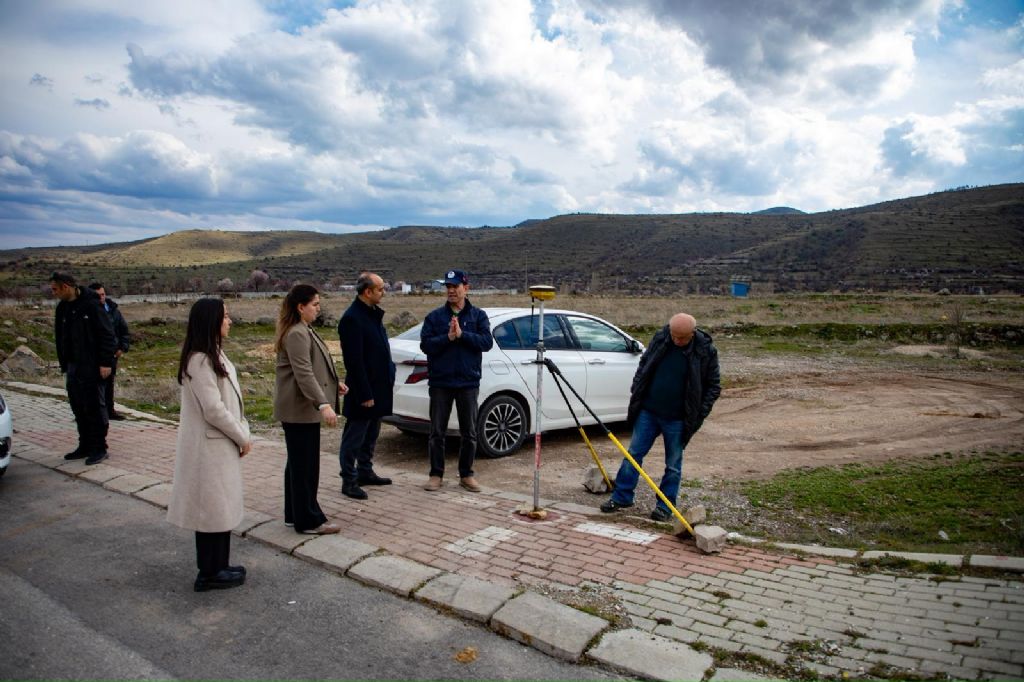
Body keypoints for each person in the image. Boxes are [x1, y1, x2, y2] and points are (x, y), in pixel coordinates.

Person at [167, 298, 252, 592]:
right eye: (225, 316)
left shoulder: (212, 354)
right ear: (211, 321)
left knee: (220, 508)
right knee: (211, 510)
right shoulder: (200, 360)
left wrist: (242, 431)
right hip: (209, 447)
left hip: (218, 444)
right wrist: (242, 436)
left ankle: (220, 565)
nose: (230, 321)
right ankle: (209, 572)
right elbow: (213, 410)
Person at [601, 313, 721, 521]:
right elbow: (644, 364)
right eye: (674, 335)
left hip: (678, 419)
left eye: (682, 338)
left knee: (673, 465)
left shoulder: (705, 351)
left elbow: (714, 386)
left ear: (692, 334)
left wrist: (699, 413)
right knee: (633, 455)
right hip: (648, 412)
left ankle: (665, 507)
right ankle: (621, 497)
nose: (677, 340)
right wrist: (637, 387)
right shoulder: (661, 338)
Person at [273, 284, 346, 534]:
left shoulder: (303, 329)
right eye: (314, 304)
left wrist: (334, 384)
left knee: (297, 464)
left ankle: (294, 514)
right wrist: (323, 404)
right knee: (305, 466)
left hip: (300, 409)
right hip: (299, 410)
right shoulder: (297, 333)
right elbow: (303, 373)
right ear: (300, 307)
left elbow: (314, 366)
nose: (318, 308)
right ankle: (308, 521)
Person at [420, 269, 492, 492]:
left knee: (469, 433)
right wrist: (448, 337)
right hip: (441, 383)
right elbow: (426, 345)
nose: (451, 290)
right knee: (437, 432)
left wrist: (462, 335)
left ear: (466, 288)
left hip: (467, 383)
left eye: (455, 286)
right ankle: (436, 474)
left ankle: (466, 474)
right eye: (448, 287)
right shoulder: (434, 317)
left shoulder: (478, 316)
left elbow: (486, 343)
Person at [337, 272, 396, 500]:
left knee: (371, 433)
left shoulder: (372, 315)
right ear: (367, 291)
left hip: (379, 387)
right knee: (355, 436)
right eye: (380, 289)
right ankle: (348, 479)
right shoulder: (352, 319)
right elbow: (354, 361)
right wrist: (364, 393)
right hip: (364, 390)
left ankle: (365, 471)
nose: (384, 292)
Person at [50, 272, 117, 465]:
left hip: (92, 365)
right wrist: (64, 362)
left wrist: (106, 362)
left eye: (55, 289)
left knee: (94, 407)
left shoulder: (91, 305)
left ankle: (99, 447)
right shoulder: (63, 308)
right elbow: (60, 336)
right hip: (73, 365)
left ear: (66, 287)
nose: (53, 293)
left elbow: (107, 334)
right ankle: (85, 445)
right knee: (78, 407)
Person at [88, 283, 131, 420]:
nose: (101, 297)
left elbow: (124, 331)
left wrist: (122, 348)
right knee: (92, 385)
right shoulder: (86, 312)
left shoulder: (113, 311)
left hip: (111, 354)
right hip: (92, 355)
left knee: (108, 383)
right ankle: (93, 413)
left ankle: (109, 411)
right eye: (98, 295)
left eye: (103, 294)